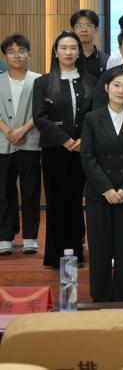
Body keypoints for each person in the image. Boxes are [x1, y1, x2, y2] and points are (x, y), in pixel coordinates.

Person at [80, 70, 123, 300]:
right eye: (116, 85)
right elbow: (87, 157)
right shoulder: (92, 118)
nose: (121, 91)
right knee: (99, 248)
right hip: (99, 194)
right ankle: (99, 297)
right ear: (107, 87)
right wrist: (106, 188)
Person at [33, 31, 94, 267]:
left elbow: (95, 115)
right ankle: (56, 255)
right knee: (57, 201)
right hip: (54, 150)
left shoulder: (92, 81)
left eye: (73, 48)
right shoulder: (43, 82)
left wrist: (83, 140)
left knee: (76, 202)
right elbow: (40, 117)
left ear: (79, 52)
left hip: (83, 150)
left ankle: (76, 252)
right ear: (56, 52)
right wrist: (65, 140)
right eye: (64, 47)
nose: (68, 52)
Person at [0, 35, 40, 256]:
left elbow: (41, 111)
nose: (17, 55)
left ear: (29, 54)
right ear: (4, 56)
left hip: (30, 142)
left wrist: (22, 130)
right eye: (11, 51)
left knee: (31, 191)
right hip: (2, 143)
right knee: (3, 192)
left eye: (21, 50)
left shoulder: (39, 80)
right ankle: (5, 237)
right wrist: (8, 131)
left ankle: (30, 238)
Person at [70, 9, 107, 79]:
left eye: (88, 25)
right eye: (79, 26)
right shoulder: (67, 58)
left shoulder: (106, 60)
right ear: (72, 30)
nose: (84, 30)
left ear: (96, 29)